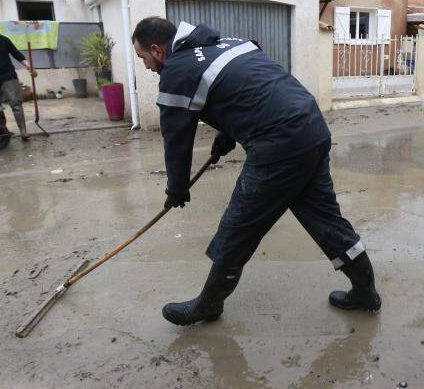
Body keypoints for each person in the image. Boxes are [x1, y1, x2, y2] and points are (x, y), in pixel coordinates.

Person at [131, 17, 381, 326]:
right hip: (310, 127)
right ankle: (365, 291)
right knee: (324, 217)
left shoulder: (177, 70)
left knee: (240, 225)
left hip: (279, 143)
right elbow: (247, 90)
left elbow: (176, 137)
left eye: (143, 57)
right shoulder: (227, 43)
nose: (146, 66)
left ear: (157, 50)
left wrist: (177, 187)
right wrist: (228, 133)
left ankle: (209, 305)